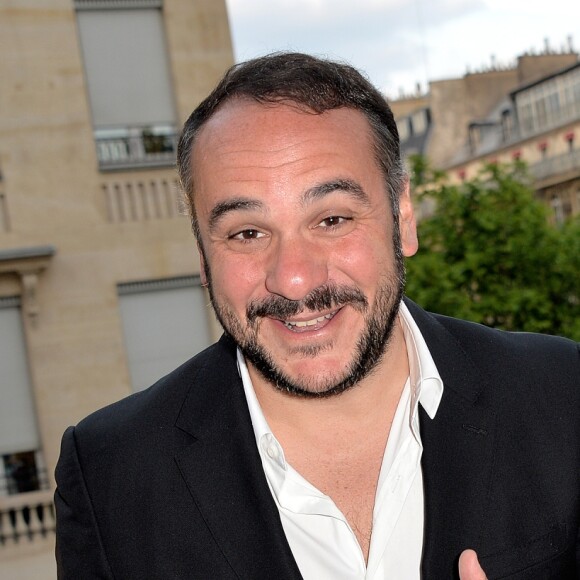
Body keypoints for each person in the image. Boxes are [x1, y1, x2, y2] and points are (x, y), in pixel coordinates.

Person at [54, 53, 579, 579]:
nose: (295, 279)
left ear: (403, 220)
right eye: (247, 233)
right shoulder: (110, 481)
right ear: (203, 260)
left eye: (331, 219)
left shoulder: (562, 395)